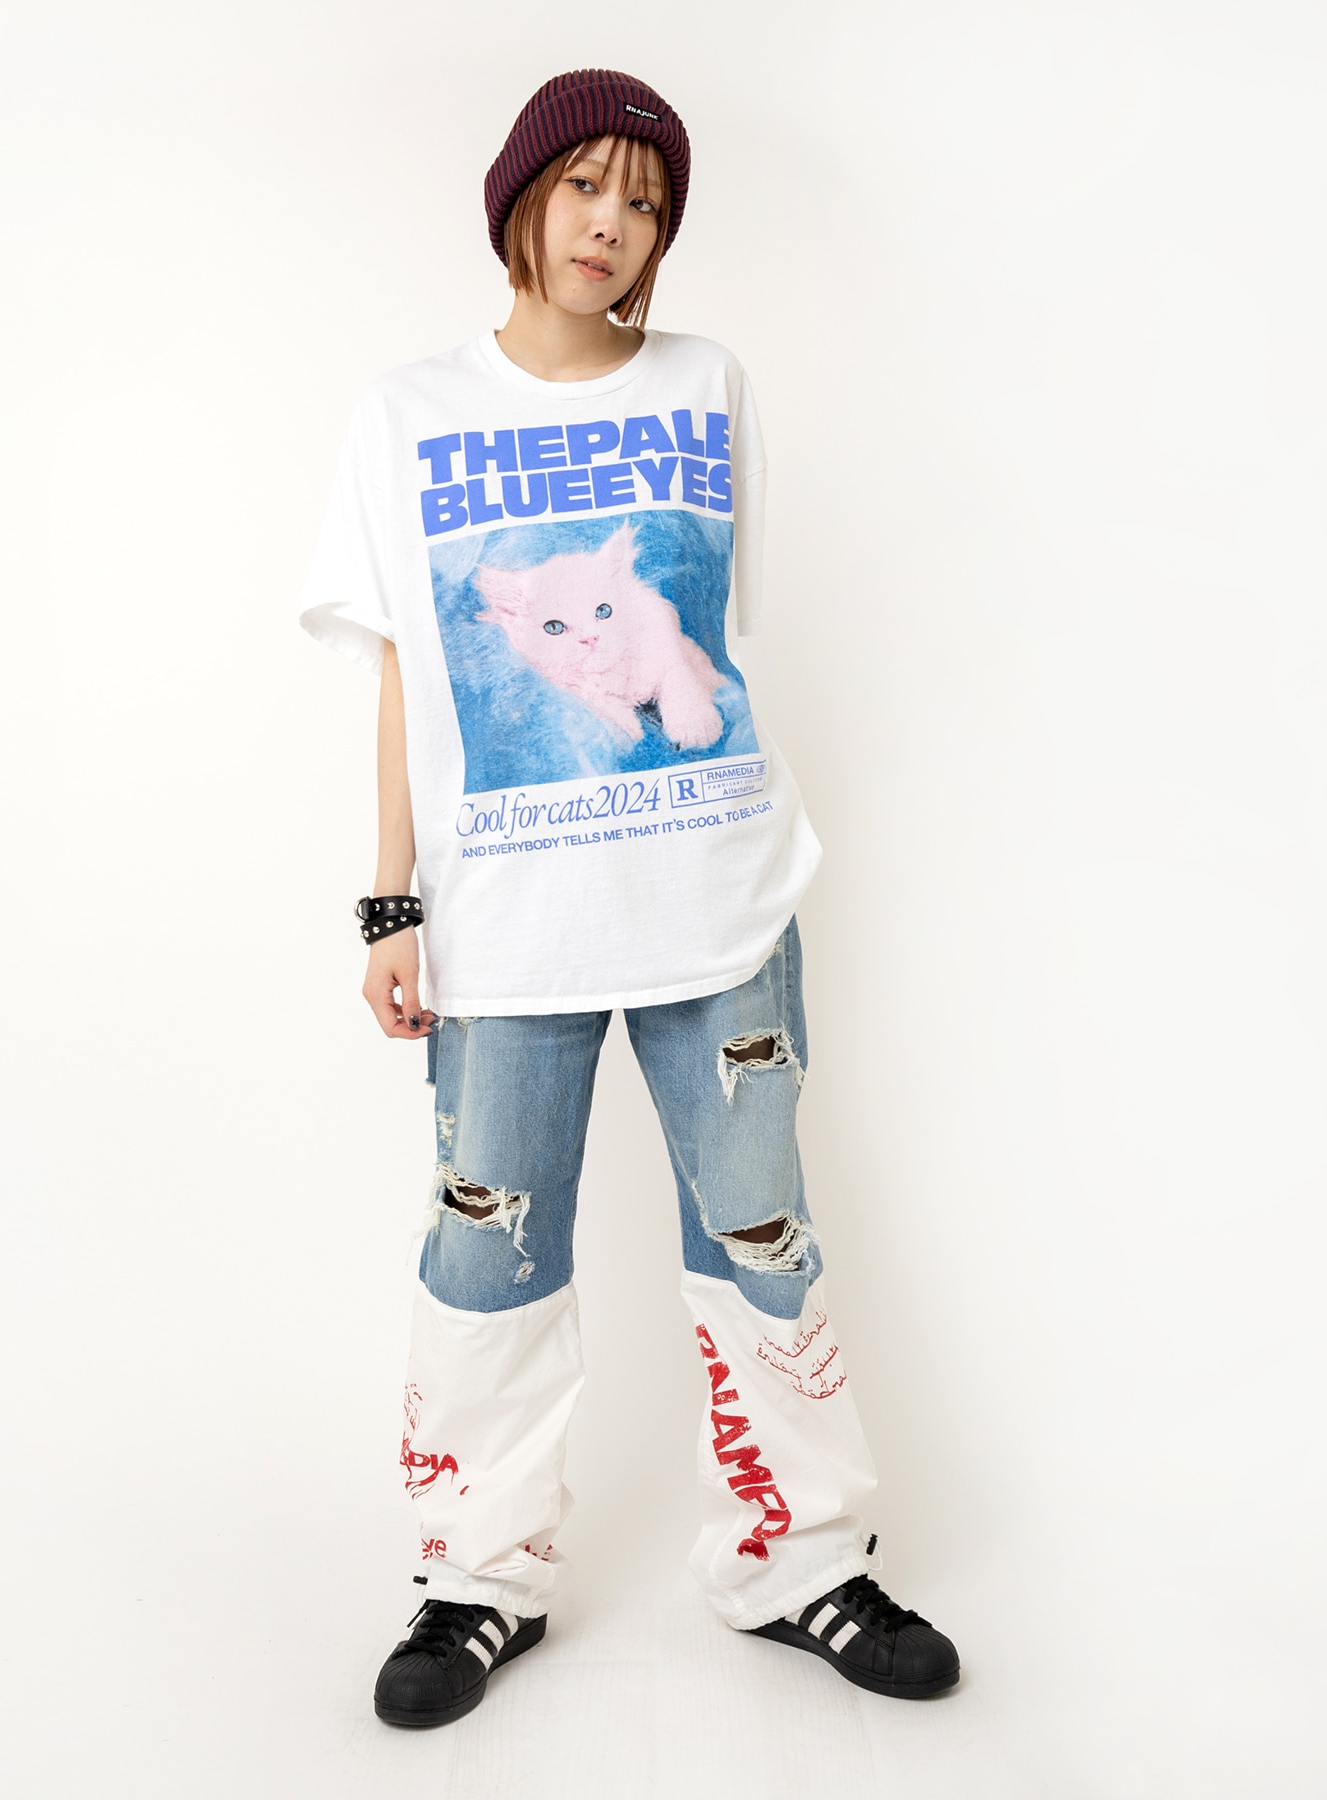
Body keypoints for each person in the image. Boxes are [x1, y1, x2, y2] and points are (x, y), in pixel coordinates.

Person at [299, 69, 960, 1728]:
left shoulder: (708, 385)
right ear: (523, 198)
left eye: (648, 202)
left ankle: (801, 1560)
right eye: (587, 185)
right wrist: (389, 904)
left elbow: (715, 645)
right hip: (505, 926)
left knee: (762, 1233)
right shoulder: (405, 413)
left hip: (715, 903)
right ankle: (480, 1577)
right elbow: (404, 678)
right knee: (487, 1253)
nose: (614, 224)